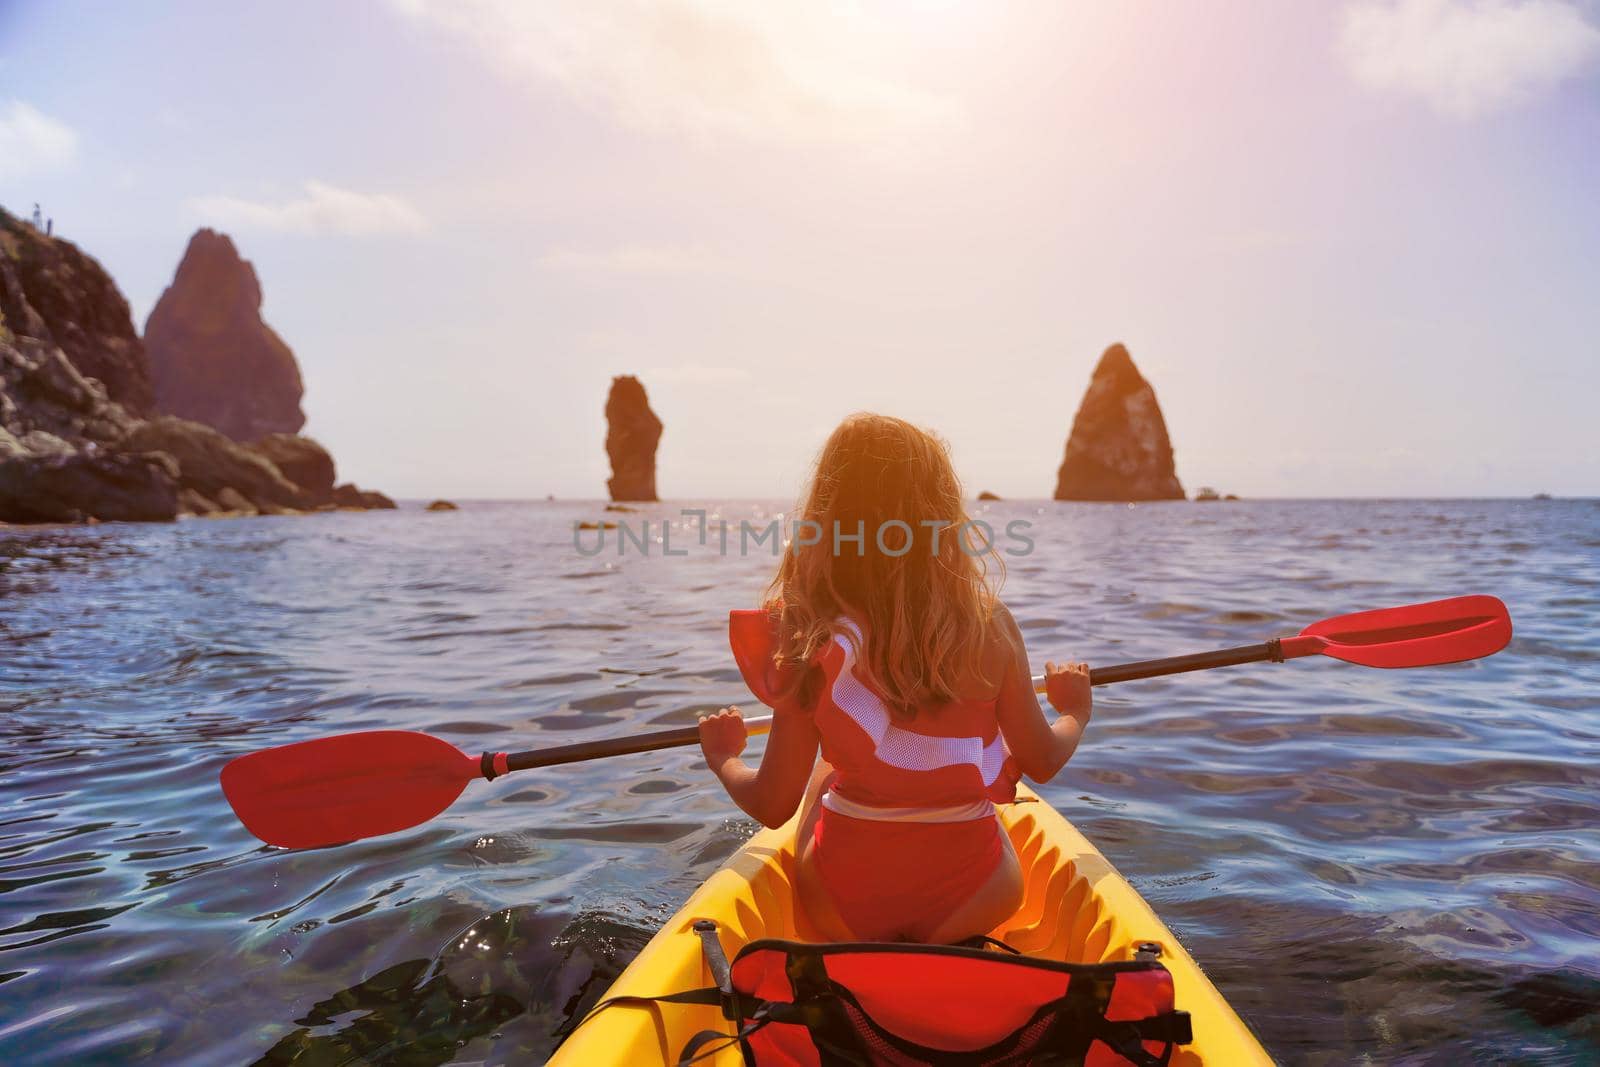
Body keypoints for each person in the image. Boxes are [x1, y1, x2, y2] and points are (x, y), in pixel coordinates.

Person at [698, 413, 1094, 944]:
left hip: (842, 907)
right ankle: (953, 947)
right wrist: (1074, 711)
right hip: (977, 898)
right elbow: (1042, 760)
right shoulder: (990, 626)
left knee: (824, 775)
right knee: (982, 813)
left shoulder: (808, 637)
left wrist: (725, 757)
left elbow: (772, 806)